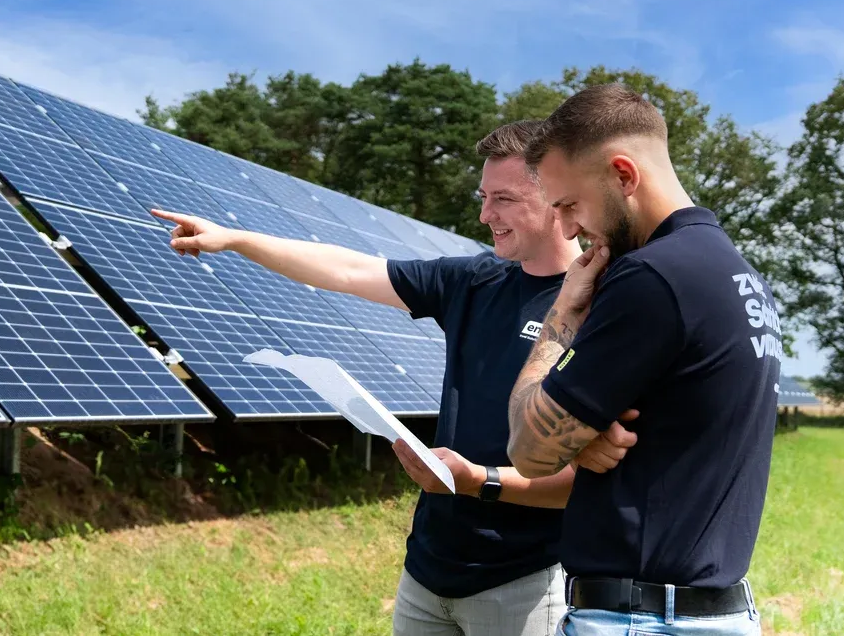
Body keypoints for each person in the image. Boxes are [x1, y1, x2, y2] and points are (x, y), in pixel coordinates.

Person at [151, 119, 639, 636]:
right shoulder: (474, 281)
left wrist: (479, 481)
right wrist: (237, 239)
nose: (484, 214)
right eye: (483, 196)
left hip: (524, 583)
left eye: (503, 199)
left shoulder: (599, 303)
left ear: (554, 197)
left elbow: (591, 478)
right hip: (426, 572)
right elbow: (349, 270)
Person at [506, 84, 778, 635]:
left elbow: (529, 449)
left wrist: (561, 316)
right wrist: (585, 434)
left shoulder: (651, 276)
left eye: (570, 204)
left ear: (624, 175)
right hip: (719, 613)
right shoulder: (741, 277)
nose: (568, 228)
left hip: (638, 619)